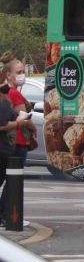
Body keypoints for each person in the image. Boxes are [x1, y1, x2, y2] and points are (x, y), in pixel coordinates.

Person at [0, 56, 36, 225]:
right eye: (19, 72)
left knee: (10, 181)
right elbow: (24, 119)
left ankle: (6, 215)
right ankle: (10, 215)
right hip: (18, 142)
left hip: (14, 142)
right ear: (8, 75)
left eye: (23, 72)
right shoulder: (12, 93)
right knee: (13, 182)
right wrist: (32, 127)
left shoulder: (12, 93)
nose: (22, 75)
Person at [0, 77, 21, 228]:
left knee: (7, 181)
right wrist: (18, 123)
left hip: (7, 148)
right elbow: (2, 126)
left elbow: (13, 115)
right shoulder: (3, 103)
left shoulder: (5, 101)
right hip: (2, 148)